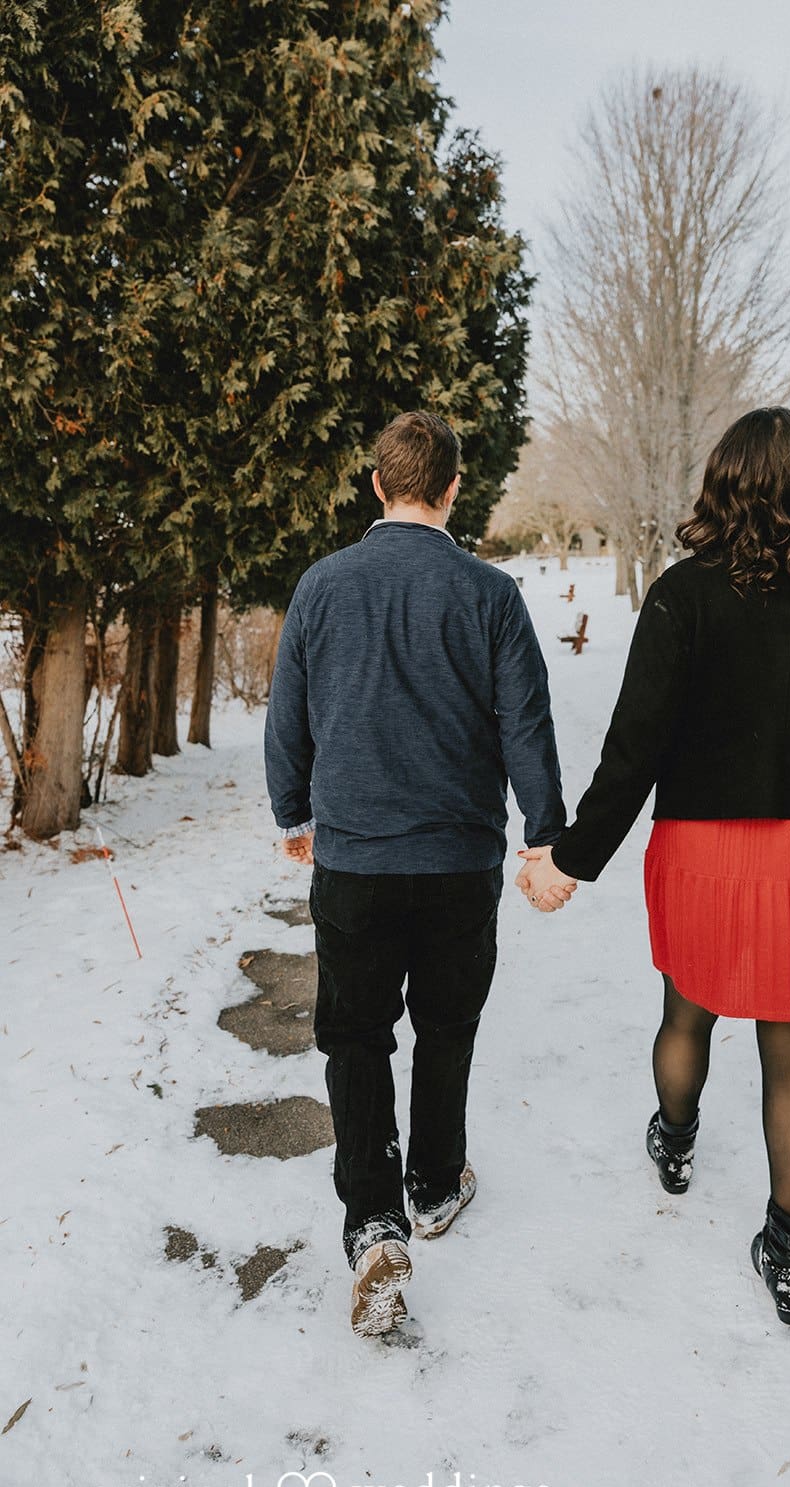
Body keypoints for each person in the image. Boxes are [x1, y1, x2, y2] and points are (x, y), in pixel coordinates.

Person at [518, 406, 790, 1327]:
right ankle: (788, 1252)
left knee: (685, 1013)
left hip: (702, 846)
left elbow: (635, 747)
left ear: (722, 482)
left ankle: (674, 1139)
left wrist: (570, 863)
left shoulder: (684, 592)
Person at [265, 411, 565, 1336]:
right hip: (456, 862)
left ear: (375, 484)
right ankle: (433, 1183)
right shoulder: (489, 594)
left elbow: (290, 716)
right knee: (445, 1026)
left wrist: (293, 814)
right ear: (452, 489)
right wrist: (542, 835)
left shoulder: (322, 586)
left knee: (355, 1038)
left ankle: (374, 1220)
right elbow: (525, 725)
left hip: (353, 859)